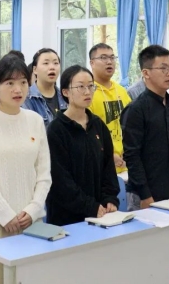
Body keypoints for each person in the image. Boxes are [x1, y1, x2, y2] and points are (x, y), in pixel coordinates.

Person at [0, 55, 51, 284]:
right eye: (10, 83)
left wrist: (33, 210)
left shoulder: (35, 120)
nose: (18, 89)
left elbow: (44, 174)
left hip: (31, 223)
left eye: (23, 82)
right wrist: (5, 215)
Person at [121, 46, 169, 210]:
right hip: (146, 194)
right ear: (146, 73)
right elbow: (132, 157)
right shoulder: (136, 110)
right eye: (163, 68)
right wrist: (145, 195)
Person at [46, 65, 119, 226]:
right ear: (66, 92)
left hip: (101, 214)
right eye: (80, 87)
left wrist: (110, 199)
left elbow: (108, 169)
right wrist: (89, 206)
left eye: (91, 86)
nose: (87, 92)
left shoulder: (98, 125)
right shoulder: (56, 130)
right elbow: (60, 179)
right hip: (67, 218)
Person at [88, 43, 131, 174]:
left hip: (126, 165)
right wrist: (108, 154)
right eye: (103, 58)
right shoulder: (88, 93)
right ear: (92, 63)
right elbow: (87, 132)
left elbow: (132, 125)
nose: (109, 62)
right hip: (101, 167)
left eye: (112, 58)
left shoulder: (122, 91)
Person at [23, 48, 67, 128]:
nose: (52, 67)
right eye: (46, 63)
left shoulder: (66, 96)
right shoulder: (26, 98)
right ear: (35, 69)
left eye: (56, 63)